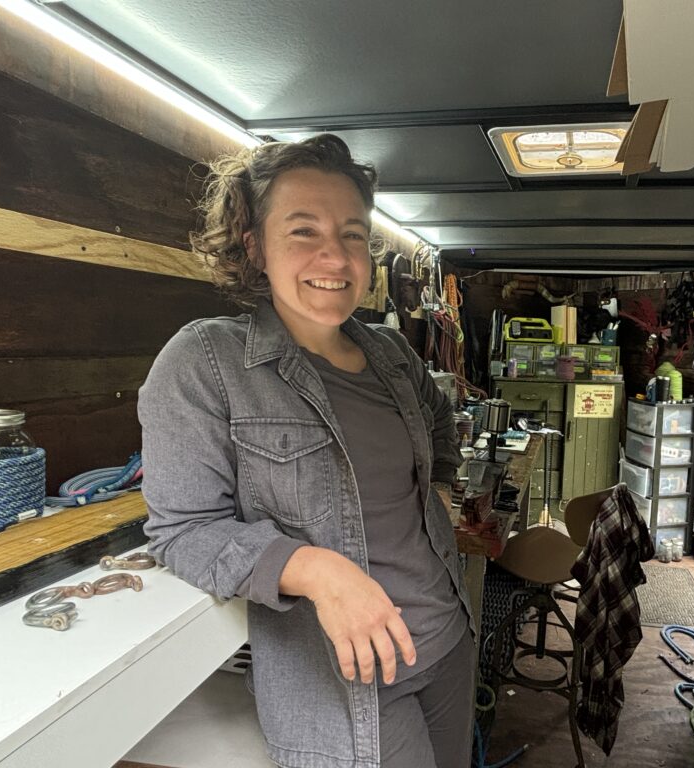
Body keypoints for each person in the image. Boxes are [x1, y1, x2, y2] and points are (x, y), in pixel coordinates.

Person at [138, 134, 474, 768]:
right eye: (302, 231)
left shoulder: (393, 354)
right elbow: (182, 532)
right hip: (344, 682)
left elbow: (440, 430)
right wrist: (317, 570)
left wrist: (440, 496)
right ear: (254, 247)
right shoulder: (206, 360)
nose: (335, 255)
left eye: (352, 233)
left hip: (448, 641)